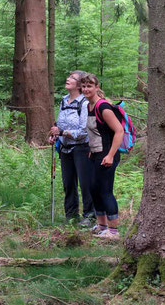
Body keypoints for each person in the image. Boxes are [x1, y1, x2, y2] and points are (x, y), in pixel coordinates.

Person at [80, 73, 124, 240]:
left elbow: (119, 131)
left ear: (97, 87)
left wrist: (111, 155)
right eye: (83, 86)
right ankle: (101, 226)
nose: (86, 89)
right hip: (95, 153)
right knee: (93, 189)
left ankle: (113, 232)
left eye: (89, 86)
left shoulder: (103, 107)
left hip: (107, 154)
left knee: (105, 191)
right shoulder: (88, 106)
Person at [49, 71, 95, 226]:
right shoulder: (63, 101)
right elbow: (60, 124)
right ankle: (71, 216)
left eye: (72, 78)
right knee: (68, 183)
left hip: (82, 148)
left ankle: (90, 215)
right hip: (65, 147)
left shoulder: (84, 103)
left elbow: (83, 131)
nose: (67, 79)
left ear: (79, 85)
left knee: (85, 183)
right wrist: (55, 134)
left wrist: (62, 132)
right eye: (68, 77)